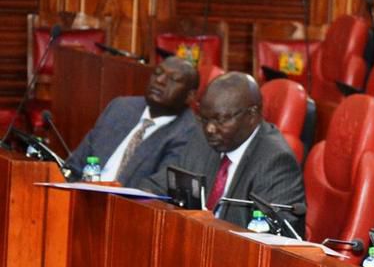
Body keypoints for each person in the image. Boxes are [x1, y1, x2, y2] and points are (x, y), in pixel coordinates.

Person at [150, 72, 306, 235]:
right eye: (204, 119)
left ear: (252, 115)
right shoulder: (203, 139)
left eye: (220, 120)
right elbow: (159, 185)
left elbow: (272, 239)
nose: (210, 129)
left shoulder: (276, 161)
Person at [66, 57, 200, 188]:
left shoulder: (189, 134)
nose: (160, 81)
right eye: (157, 73)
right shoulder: (120, 108)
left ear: (190, 96)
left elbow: (157, 188)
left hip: (126, 207)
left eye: (173, 80)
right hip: (82, 196)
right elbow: (75, 164)